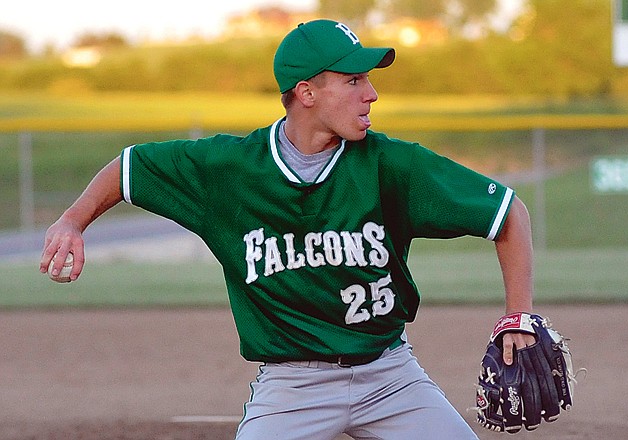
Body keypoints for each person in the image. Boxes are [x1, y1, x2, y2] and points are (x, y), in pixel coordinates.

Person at [40, 19, 536, 440]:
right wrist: (71, 220)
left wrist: (520, 317)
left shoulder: (393, 165)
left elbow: (508, 213)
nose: (372, 93)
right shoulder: (229, 170)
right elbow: (130, 168)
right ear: (307, 93)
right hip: (291, 387)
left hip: (390, 375)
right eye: (354, 80)